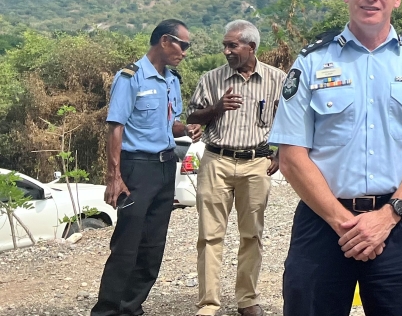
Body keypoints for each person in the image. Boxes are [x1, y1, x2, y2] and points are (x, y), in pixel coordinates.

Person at [270, 0, 402, 316]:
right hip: (323, 224)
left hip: (396, 223)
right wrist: (344, 223)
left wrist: (387, 217)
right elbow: (291, 156)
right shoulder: (311, 61)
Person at [92, 19, 200, 316]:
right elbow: (116, 126)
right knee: (128, 245)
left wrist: (185, 129)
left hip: (166, 168)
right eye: (183, 45)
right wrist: (114, 177)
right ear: (165, 41)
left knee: (153, 246)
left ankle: (131, 307)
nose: (185, 52)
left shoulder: (172, 80)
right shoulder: (131, 77)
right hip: (137, 168)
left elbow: (168, 124)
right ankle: (107, 311)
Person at [186, 20, 287, 316]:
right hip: (216, 160)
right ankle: (208, 303)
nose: (226, 51)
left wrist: (280, 155)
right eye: (225, 46)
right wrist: (216, 108)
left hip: (257, 164)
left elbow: (289, 120)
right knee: (209, 235)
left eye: (233, 46)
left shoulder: (276, 79)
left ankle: (247, 299)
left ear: (251, 47)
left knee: (252, 235)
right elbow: (193, 114)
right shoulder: (212, 78)